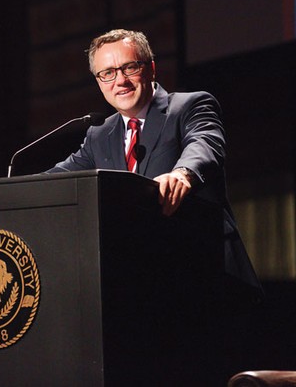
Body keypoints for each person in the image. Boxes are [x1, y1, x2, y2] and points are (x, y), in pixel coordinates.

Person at [47, 28, 263, 304]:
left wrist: (182, 174)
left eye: (129, 67)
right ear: (99, 81)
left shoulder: (189, 106)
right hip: (143, 290)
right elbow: (57, 178)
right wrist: (9, 195)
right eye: (108, 73)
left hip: (207, 279)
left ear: (150, 68)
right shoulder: (99, 135)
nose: (120, 81)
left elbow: (205, 144)